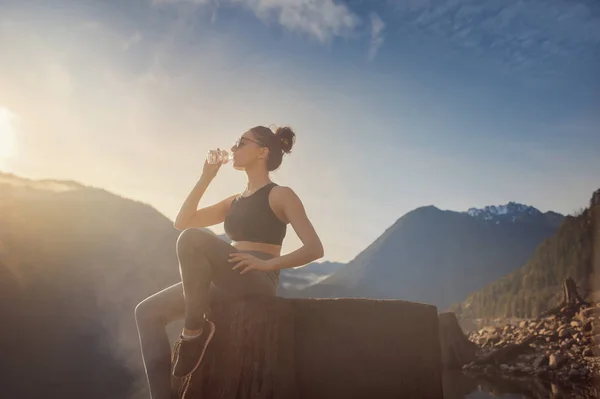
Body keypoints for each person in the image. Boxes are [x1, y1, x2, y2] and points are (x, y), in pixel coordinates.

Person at [134, 125, 324, 399]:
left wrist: (268, 265)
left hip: (257, 276)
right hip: (225, 277)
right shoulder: (234, 201)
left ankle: (193, 332)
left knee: (192, 239)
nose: (233, 148)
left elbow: (314, 248)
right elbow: (183, 221)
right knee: (146, 313)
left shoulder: (280, 194)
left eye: (241, 142)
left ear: (262, 152)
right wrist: (206, 176)